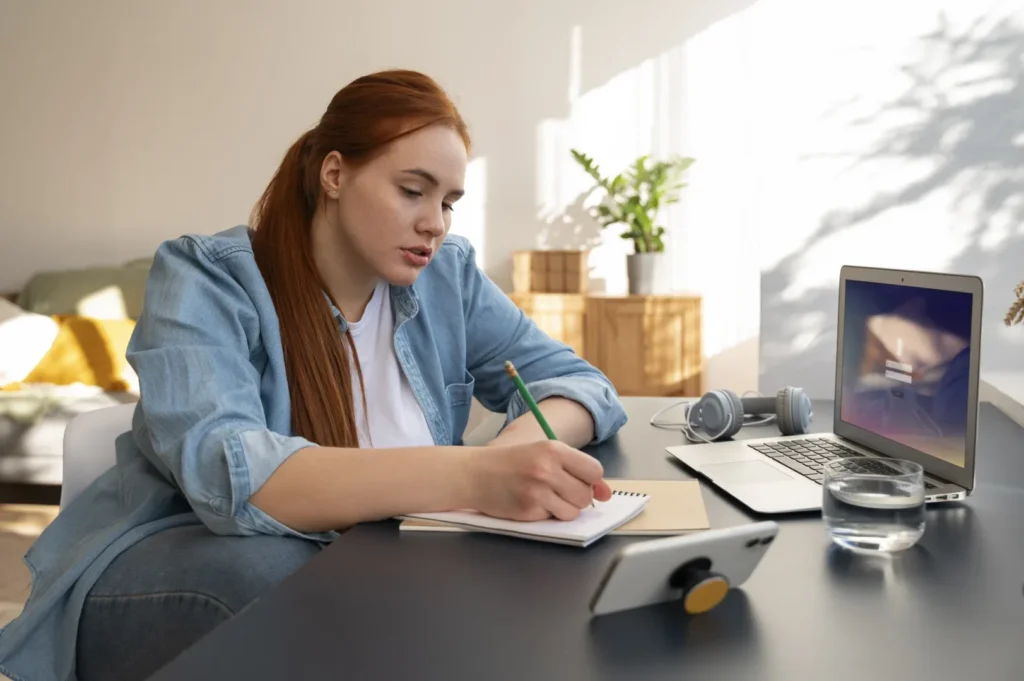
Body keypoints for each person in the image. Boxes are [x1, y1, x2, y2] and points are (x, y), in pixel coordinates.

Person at [0, 70, 627, 681]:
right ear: (334, 173)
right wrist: (473, 475)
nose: (435, 221)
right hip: (181, 560)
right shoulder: (207, 277)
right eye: (413, 190)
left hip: (373, 570)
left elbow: (579, 384)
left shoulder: (447, 277)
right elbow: (236, 477)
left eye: (448, 202)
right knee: (282, 574)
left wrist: (516, 456)